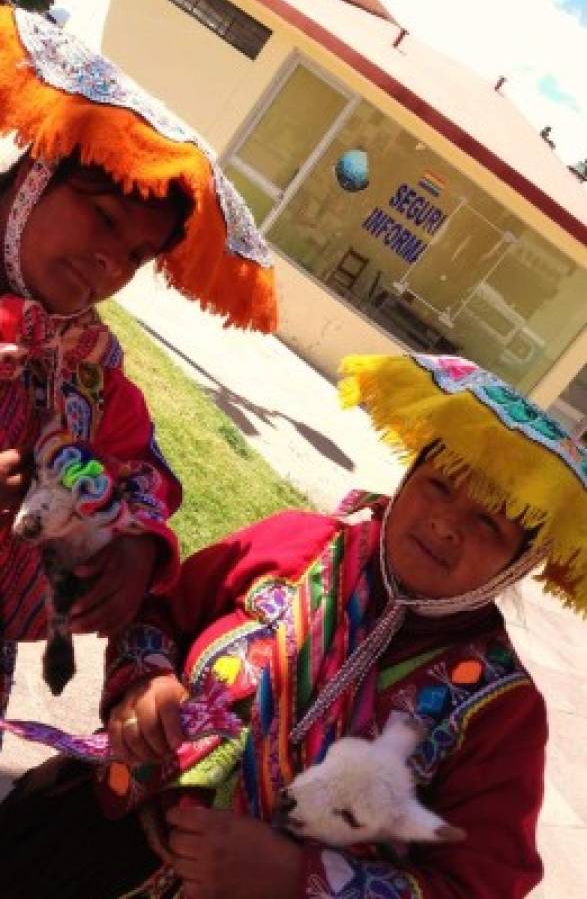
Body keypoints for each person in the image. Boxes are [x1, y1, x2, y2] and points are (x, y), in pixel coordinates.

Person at [2, 352, 585, 898]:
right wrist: (143, 684)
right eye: (438, 484)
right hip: (83, 831)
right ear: (408, 478)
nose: (446, 523)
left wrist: (296, 876)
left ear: (523, 559)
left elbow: (478, 884)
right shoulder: (298, 544)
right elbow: (160, 614)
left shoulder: (501, 713)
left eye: (489, 522)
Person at [0, 6, 276, 730]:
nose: (109, 263)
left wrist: (134, 552)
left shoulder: (88, 362)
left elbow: (140, 468)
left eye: (133, 255)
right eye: (103, 219)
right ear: (36, 175)